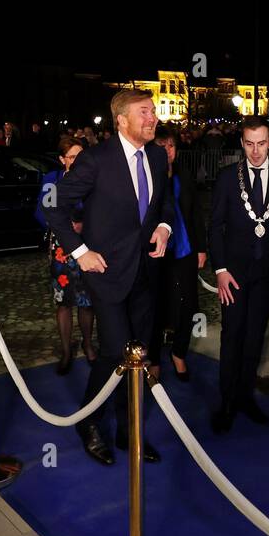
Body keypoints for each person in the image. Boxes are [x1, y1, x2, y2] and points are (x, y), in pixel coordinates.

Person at [43, 89, 175, 466]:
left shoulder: (155, 154)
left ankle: (127, 432)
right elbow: (53, 205)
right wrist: (81, 252)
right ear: (121, 119)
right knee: (117, 351)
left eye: (153, 111)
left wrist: (164, 226)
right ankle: (89, 422)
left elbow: (164, 202)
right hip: (108, 274)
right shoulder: (95, 160)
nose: (153, 118)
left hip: (146, 274)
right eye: (145, 112)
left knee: (139, 354)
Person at [208, 116, 269, 434]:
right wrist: (219, 270)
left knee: (255, 337)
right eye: (249, 143)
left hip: (265, 275)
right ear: (241, 142)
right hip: (233, 274)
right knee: (232, 335)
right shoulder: (228, 177)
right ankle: (227, 401)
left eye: (261, 143)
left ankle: (246, 396)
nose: (255, 151)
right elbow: (215, 227)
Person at [149, 126, 207, 382]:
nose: (167, 151)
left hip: (185, 249)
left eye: (171, 145)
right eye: (161, 146)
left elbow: (195, 213)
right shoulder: (146, 176)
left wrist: (202, 248)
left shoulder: (185, 174)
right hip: (155, 252)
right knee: (154, 306)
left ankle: (179, 352)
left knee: (189, 304)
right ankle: (152, 358)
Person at [36, 136, 95, 375]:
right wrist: (66, 226)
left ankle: (88, 344)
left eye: (81, 156)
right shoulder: (52, 180)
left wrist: (86, 224)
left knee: (87, 301)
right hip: (61, 249)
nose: (77, 161)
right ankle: (66, 350)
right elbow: (41, 212)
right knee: (63, 302)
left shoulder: (93, 179)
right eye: (72, 157)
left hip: (88, 247)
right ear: (62, 159)